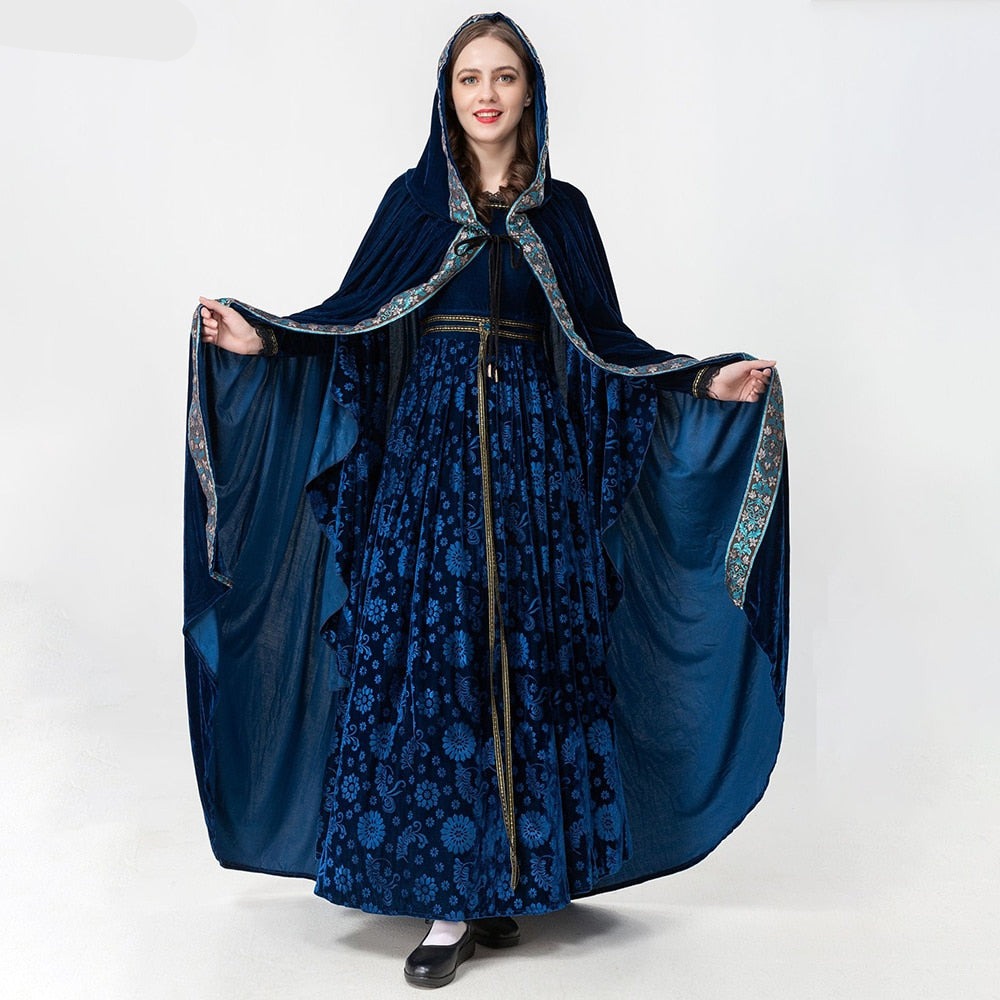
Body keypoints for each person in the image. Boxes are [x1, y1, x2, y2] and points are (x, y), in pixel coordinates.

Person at [185, 11, 789, 989]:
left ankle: (511, 871)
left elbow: (608, 350)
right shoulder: (414, 205)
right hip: (430, 470)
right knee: (442, 657)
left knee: (527, 654)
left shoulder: (564, 216)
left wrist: (701, 382)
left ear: (530, 91)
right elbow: (352, 321)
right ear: (447, 93)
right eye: (470, 77)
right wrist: (267, 341)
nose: (487, 94)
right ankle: (448, 897)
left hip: (533, 471)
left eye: (503, 76)